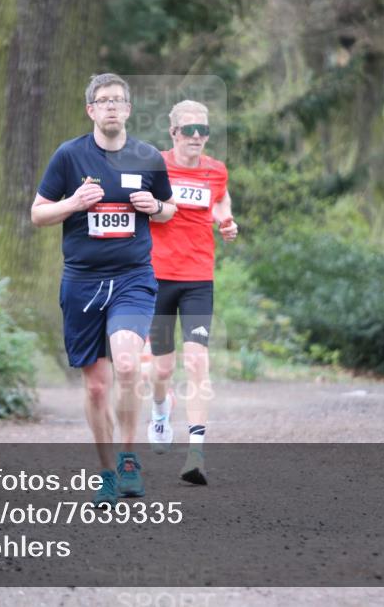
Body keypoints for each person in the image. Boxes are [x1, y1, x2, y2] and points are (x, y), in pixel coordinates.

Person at [31, 73, 175, 507]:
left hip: (132, 277)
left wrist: (157, 207)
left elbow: (169, 209)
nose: (112, 107)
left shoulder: (148, 157)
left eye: (119, 100)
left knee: (128, 365)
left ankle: (130, 459)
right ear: (91, 110)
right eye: (103, 101)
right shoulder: (69, 156)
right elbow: (38, 214)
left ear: (128, 110)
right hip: (82, 283)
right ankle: (107, 473)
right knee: (96, 387)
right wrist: (74, 203)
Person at [146, 99, 238, 485]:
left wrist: (225, 219)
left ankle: (195, 452)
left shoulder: (216, 170)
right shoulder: (154, 165)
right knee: (162, 369)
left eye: (203, 130)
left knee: (197, 360)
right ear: (173, 133)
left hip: (199, 277)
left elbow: (219, 197)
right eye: (189, 130)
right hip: (156, 276)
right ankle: (160, 406)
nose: (197, 137)